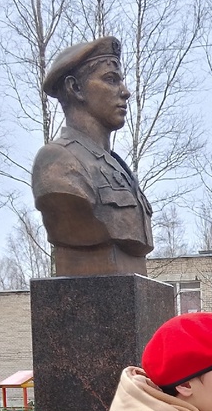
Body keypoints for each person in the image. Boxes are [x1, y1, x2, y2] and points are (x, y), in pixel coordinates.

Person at [33, 37, 154, 277]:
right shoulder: (57, 161)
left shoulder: (118, 167)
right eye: (111, 80)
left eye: (121, 80)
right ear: (75, 88)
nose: (125, 92)